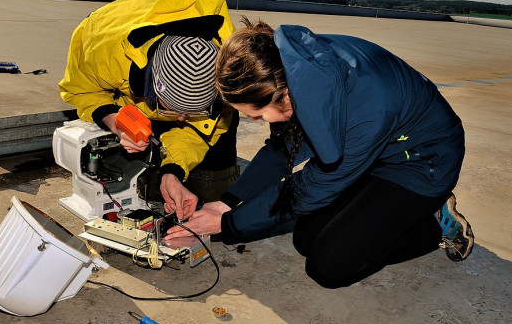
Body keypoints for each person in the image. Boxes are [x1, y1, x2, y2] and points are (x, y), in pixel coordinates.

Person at [164, 17, 474, 288]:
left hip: (423, 163)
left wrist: (229, 224)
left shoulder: (362, 113)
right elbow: (282, 149)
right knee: (306, 239)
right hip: (378, 153)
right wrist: (227, 202)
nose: (255, 122)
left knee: (329, 267)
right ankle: (388, 212)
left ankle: (434, 223)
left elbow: (306, 191)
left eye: (257, 115)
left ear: (283, 96)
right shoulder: (292, 70)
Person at [59, 0, 239, 220]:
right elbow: (81, 91)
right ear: (154, 86)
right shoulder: (100, 51)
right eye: (174, 109)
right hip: (108, 33)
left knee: (212, 190)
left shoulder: (230, 72)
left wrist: (171, 172)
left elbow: (200, 128)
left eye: (192, 111)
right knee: (144, 183)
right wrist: (115, 121)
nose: (183, 119)